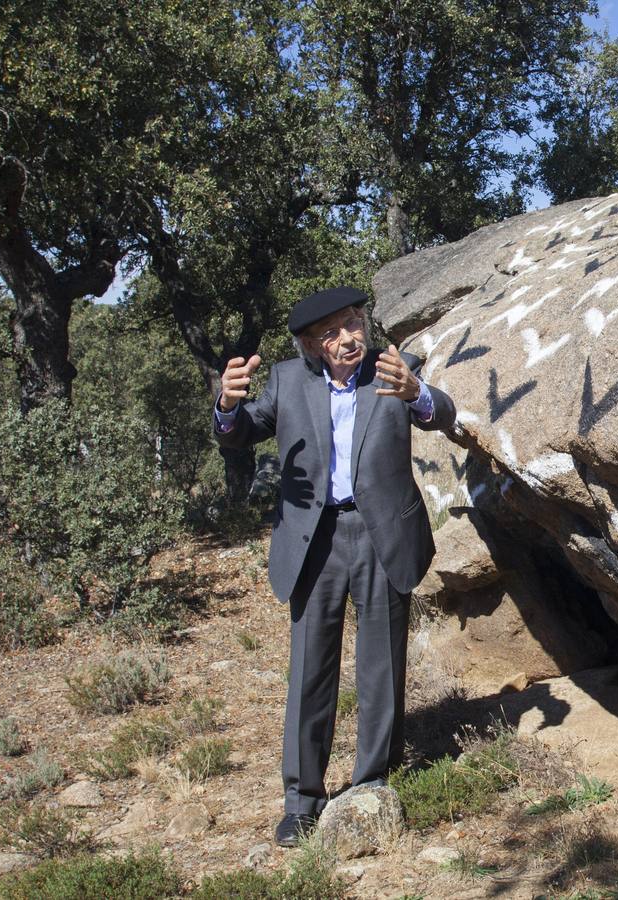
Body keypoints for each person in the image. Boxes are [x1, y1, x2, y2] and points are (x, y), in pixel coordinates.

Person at [213, 285, 456, 846]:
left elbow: (442, 414)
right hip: (315, 540)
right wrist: (226, 406)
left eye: (352, 323)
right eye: (331, 333)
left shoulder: (395, 369)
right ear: (311, 346)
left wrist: (418, 392)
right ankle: (301, 801)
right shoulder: (287, 382)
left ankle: (371, 784)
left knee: (381, 664)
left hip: (381, 533)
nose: (347, 337)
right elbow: (240, 433)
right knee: (310, 670)